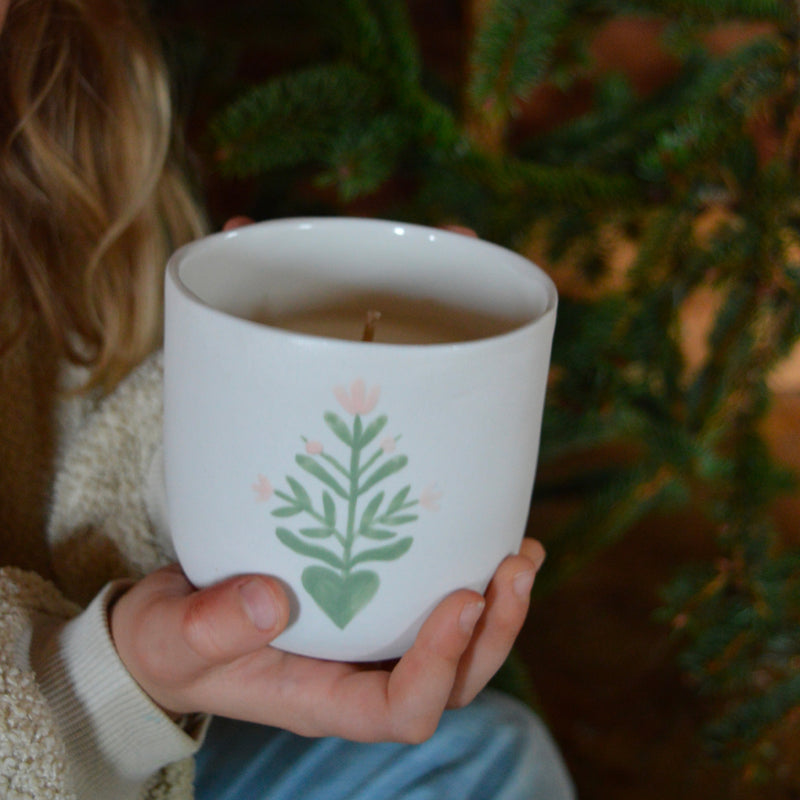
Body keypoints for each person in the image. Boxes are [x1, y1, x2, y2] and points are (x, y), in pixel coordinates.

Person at [0, 1, 575, 798]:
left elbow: (84, 483)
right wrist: (105, 695)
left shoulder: (69, 114)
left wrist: (236, 432)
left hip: (109, 714)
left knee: (488, 760)